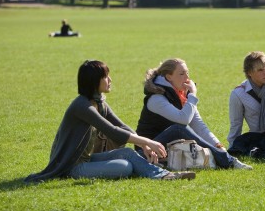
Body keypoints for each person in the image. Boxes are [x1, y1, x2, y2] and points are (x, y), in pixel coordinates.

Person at [24, 60, 195, 183]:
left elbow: (121, 126)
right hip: (71, 166)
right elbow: (113, 131)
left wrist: (144, 145)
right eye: (106, 76)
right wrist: (147, 141)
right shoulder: (82, 106)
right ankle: (156, 173)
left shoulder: (100, 102)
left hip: (88, 159)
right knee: (125, 167)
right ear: (94, 81)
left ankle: (163, 175)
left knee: (128, 155)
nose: (110, 80)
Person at [135, 58, 252, 170]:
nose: (187, 78)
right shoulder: (156, 98)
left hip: (168, 148)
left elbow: (198, 124)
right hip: (147, 151)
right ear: (169, 77)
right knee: (178, 129)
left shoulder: (181, 93)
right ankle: (229, 161)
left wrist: (218, 145)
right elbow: (183, 120)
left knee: (181, 131)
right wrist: (192, 95)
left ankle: (222, 157)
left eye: (187, 73)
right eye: (182, 74)